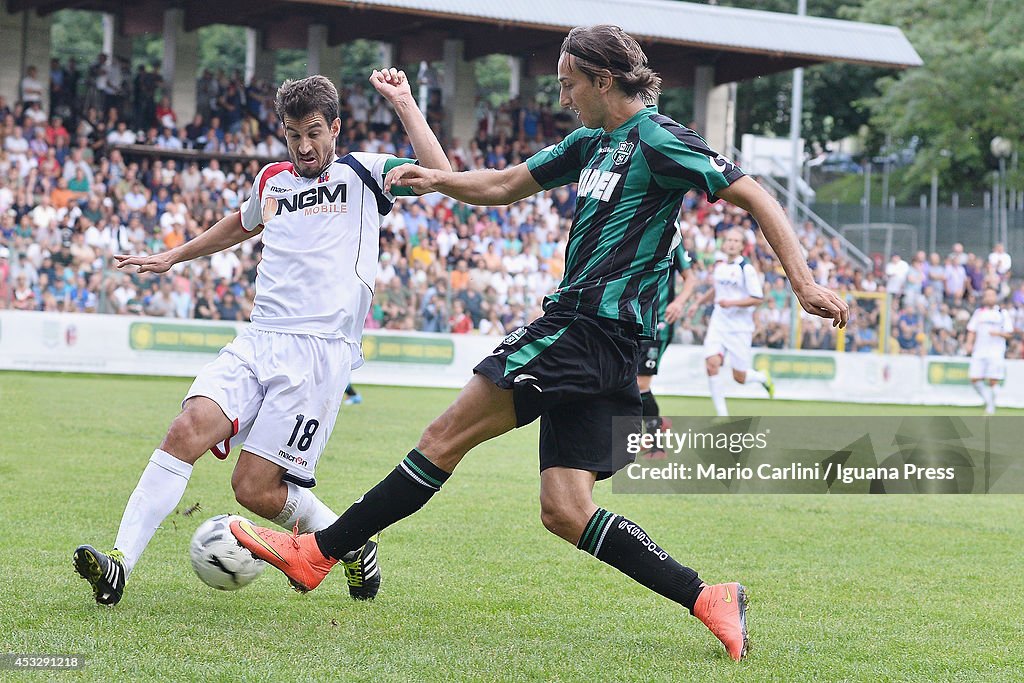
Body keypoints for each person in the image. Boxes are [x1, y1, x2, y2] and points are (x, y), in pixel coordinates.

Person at [231, 25, 847, 662]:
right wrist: (435, 180)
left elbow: (753, 194)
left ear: (604, 80)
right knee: (565, 510)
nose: (564, 95)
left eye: (569, 83)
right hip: (604, 346)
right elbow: (500, 186)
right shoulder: (591, 142)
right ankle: (707, 596)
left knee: (444, 437)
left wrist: (802, 282)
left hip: (586, 330)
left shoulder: (659, 139)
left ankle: (319, 551)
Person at [72, 69, 450, 606]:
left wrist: (405, 102)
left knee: (253, 489)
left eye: (314, 132)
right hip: (258, 338)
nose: (303, 146)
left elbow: (439, 172)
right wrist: (174, 255)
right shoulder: (273, 180)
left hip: (318, 354)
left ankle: (352, 543)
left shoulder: (365, 173)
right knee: (186, 429)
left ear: (335, 128)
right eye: (293, 135)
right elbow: (240, 224)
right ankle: (120, 566)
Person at [699, 228, 774, 417]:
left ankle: (761, 377)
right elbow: (716, 290)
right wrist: (698, 303)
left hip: (739, 328)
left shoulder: (746, 269)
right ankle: (722, 414)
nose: (731, 243)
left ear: (742, 246)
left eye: (735, 241)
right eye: (728, 240)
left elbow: (757, 298)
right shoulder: (720, 267)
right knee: (711, 364)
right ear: (723, 244)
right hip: (719, 323)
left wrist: (731, 303)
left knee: (739, 377)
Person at [637, 227, 697, 457]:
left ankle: (655, 441)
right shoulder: (637, 230)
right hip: (635, 320)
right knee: (628, 382)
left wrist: (679, 302)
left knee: (641, 384)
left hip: (660, 324)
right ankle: (657, 424)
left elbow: (690, 279)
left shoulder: (672, 236)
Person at [965, 288, 1015, 415]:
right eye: (987, 295)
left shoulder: (1002, 313)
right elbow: (972, 330)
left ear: (995, 297)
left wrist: (998, 333)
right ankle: (988, 401)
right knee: (975, 379)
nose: (989, 298)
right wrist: (969, 343)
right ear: (984, 298)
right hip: (979, 350)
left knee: (993, 380)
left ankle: (991, 408)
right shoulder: (979, 313)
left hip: (995, 351)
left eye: (992, 295)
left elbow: (1009, 333)